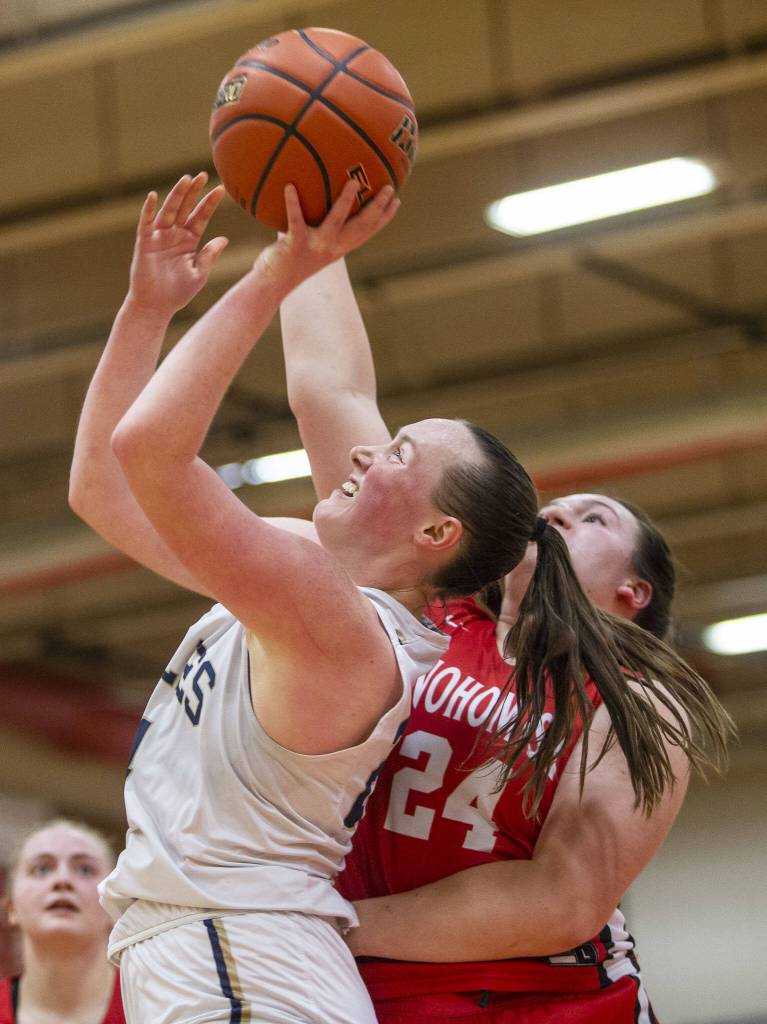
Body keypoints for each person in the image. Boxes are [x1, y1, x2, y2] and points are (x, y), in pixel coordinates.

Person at [68, 173, 643, 1024]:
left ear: (436, 536)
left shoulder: (334, 617)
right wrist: (145, 310)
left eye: (399, 455)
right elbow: (103, 489)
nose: (368, 457)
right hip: (224, 946)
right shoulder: (303, 568)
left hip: (247, 950)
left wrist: (271, 274)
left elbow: (151, 449)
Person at [279, 258, 735, 1022]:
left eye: (594, 519)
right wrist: (308, 247)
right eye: (555, 507)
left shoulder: (635, 701)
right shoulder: (427, 602)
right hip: (362, 991)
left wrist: (327, 921)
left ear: (633, 594)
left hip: (536, 1001)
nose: (559, 515)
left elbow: (559, 899)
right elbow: (335, 395)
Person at [0, 819, 124, 1024]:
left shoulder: (155, 1004)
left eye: (85, 870)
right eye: (41, 869)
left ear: (114, 908)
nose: (62, 880)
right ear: (12, 908)